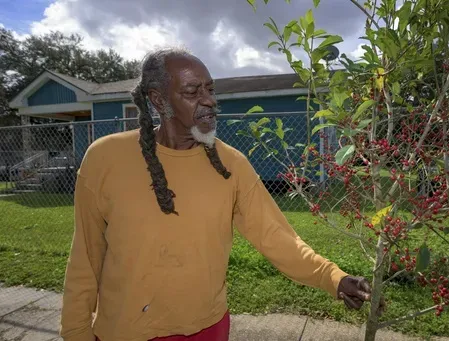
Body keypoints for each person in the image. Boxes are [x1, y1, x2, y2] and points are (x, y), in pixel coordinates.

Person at [60, 47, 384, 341]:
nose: (209, 100)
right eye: (192, 91)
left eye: (210, 89)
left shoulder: (231, 165)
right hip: (125, 332)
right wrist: (75, 332)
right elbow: (85, 259)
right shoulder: (105, 159)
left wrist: (334, 278)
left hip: (208, 330)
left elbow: (276, 236)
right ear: (158, 100)